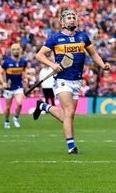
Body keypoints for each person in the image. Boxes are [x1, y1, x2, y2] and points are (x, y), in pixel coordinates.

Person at [32, 9, 110, 154]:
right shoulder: (55, 38)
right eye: (69, 17)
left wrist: (102, 64)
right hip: (62, 80)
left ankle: (44, 106)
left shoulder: (83, 37)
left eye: (74, 17)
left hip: (77, 80)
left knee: (68, 115)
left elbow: (93, 53)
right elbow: (39, 55)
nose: (72, 19)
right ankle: (71, 147)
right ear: (62, 22)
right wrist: (53, 65)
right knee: (69, 112)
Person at [1, 43, 30, 129]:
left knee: (20, 104)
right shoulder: (7, 62)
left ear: (20, 50)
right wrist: (3, 82)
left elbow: (23, 72)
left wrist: (25, 78)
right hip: (9, 87)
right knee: (8, 107)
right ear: (11, 51)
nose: (16, 51)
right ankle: (6, 120)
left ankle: (16, 117)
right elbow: (0, 73)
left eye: (17, 49)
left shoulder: (23, 62)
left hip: (18, 86)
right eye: (14, 49)